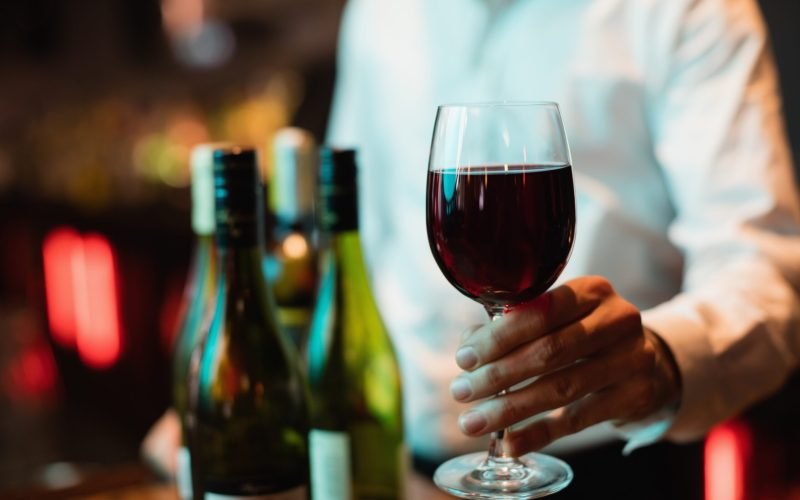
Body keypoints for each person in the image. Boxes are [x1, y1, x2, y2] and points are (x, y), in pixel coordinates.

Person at [326, 0, 800, 473]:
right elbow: (358, 231)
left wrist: (662, 359)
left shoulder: (690, 10)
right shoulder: (378, 13)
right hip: (407, 464)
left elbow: (763, 271)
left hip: (617, 459)